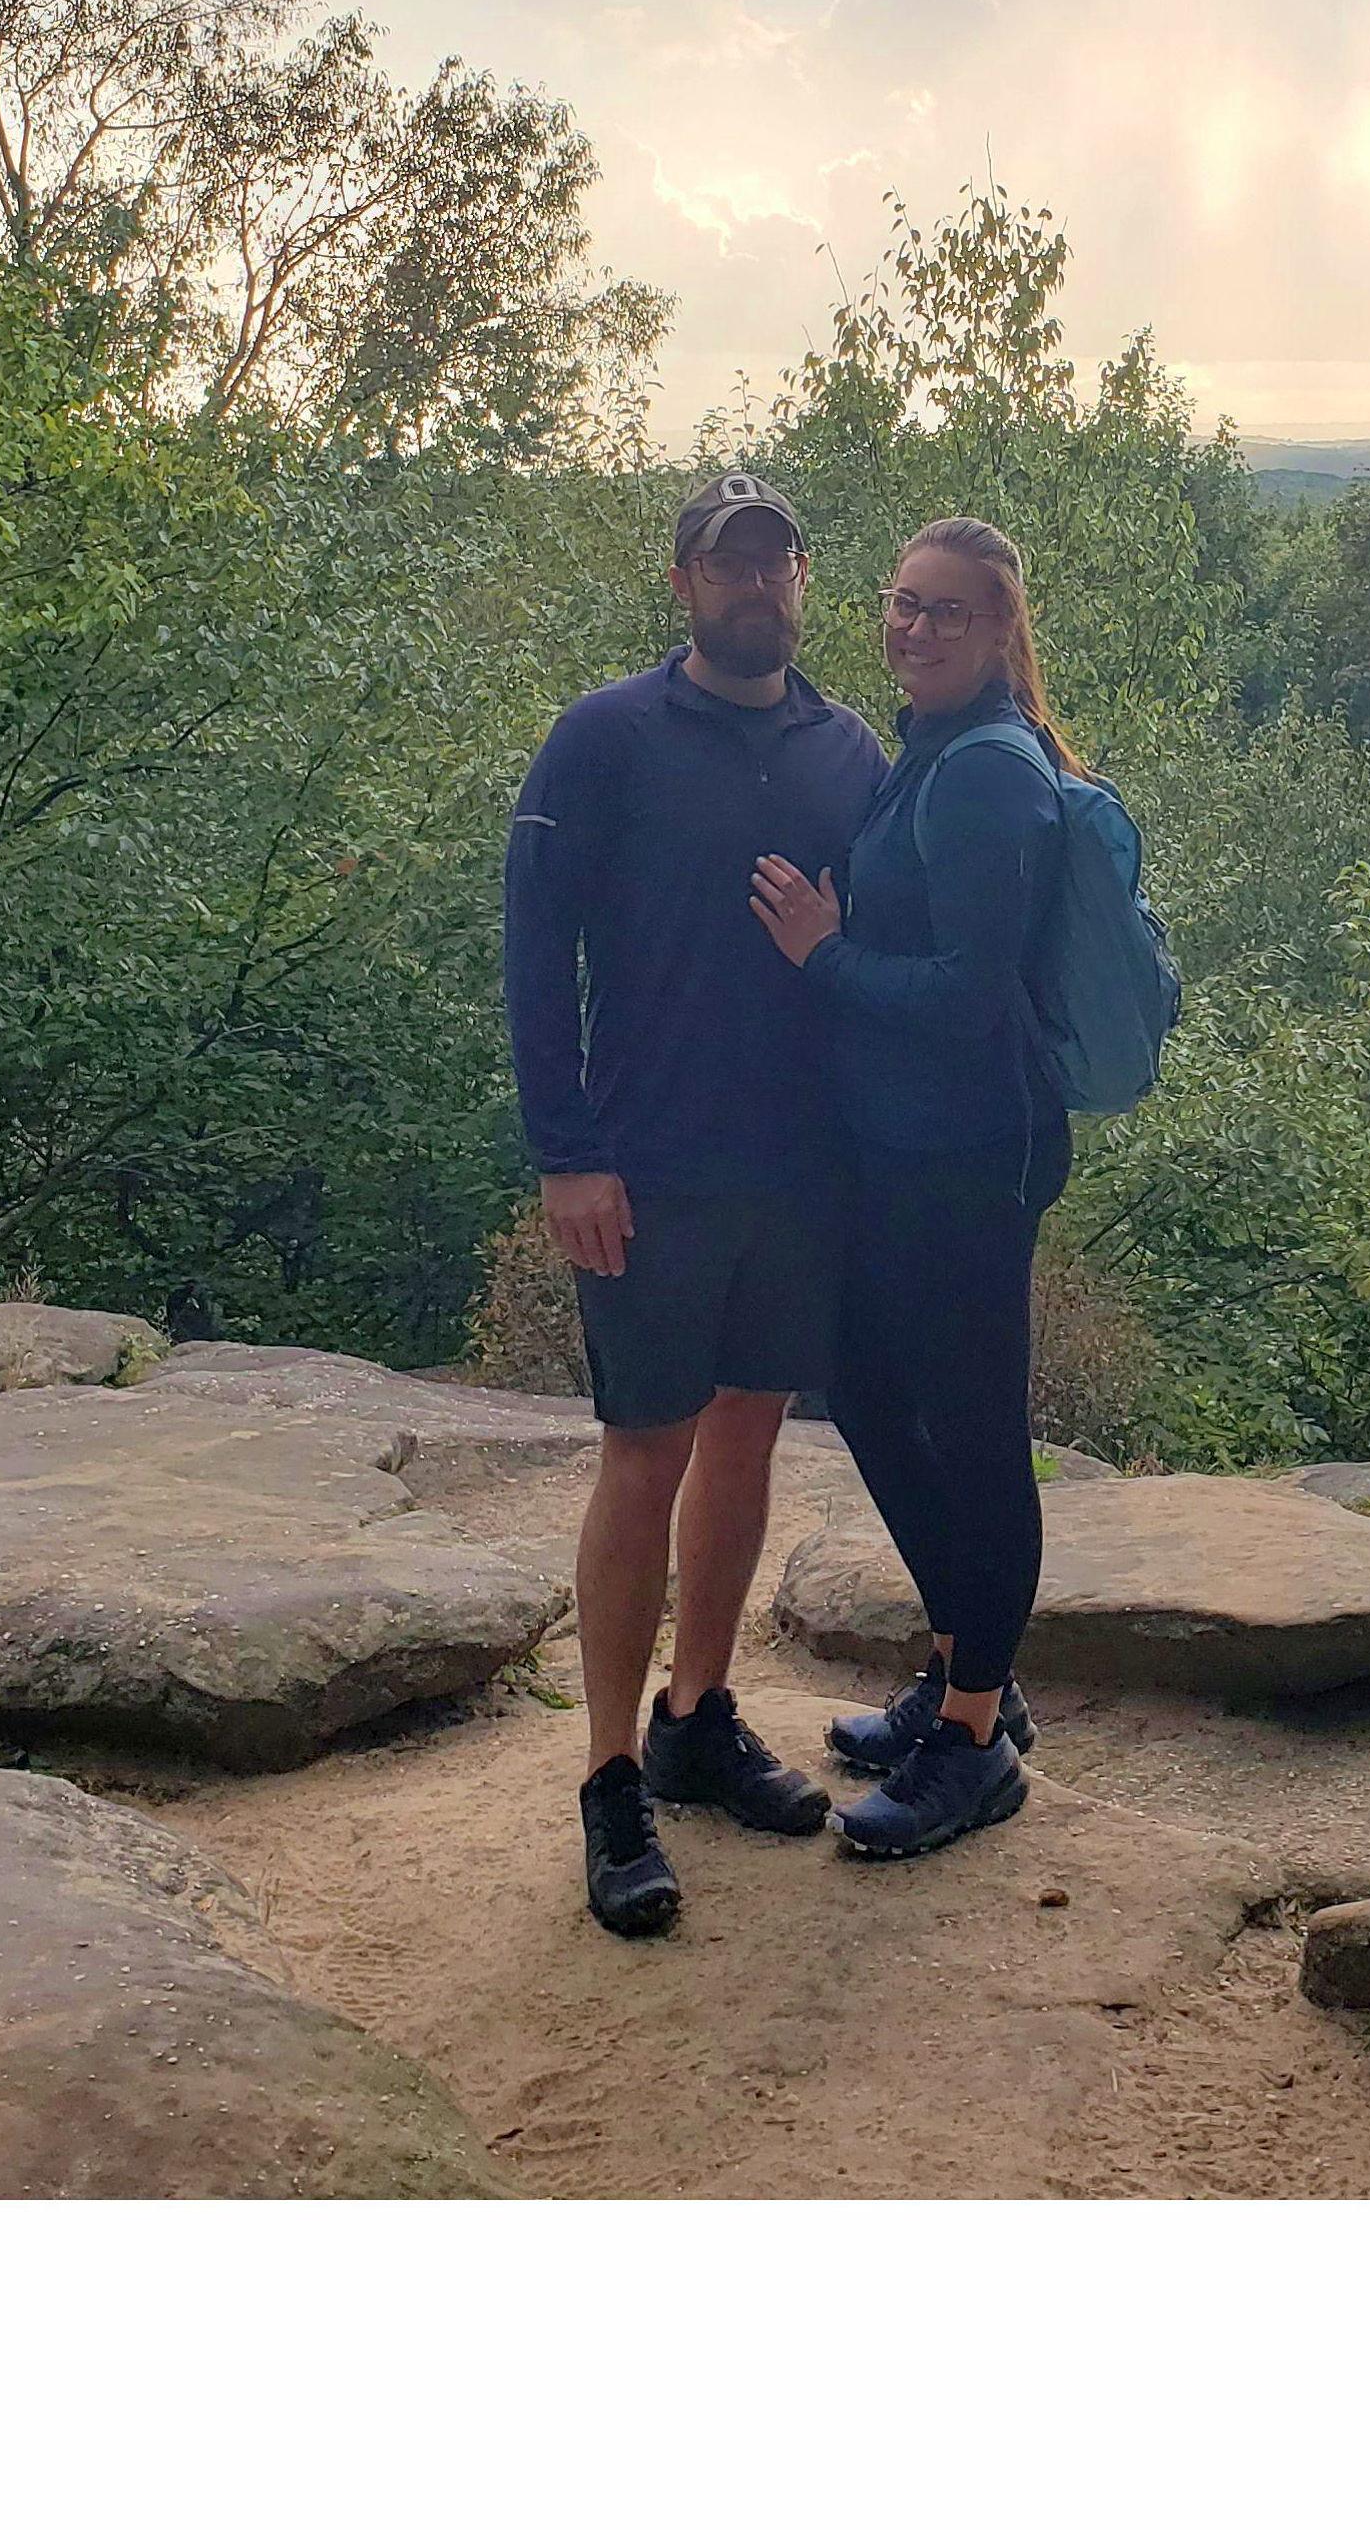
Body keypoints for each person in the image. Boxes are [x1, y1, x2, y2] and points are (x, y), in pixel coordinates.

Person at [504, 470, 888, 1936]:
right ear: (682, 583)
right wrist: (565, 1149)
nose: (754, 585)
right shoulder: (603, 738)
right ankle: (610, 1777)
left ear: (802, 578)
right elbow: (536, 952)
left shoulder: (845, 746)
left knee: (745, 1430)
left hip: (800, 1168)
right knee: (642, 1447)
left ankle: (698, 1714)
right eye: (727, 564)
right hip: (648, 1163)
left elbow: (882, 932)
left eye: (777, 560)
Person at [748, 515, 1074, 1862]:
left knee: (975, 1432)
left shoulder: (989, 772)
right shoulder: (929, 750)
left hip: (967, 1155)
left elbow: (964, 998)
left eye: (946, 611)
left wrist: (823, 956)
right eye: (901, 602)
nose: (916, 627)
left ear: (1000, 630)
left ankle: (976, 1734)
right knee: (874, 1393)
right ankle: (962, 1671)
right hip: (907, 1147)